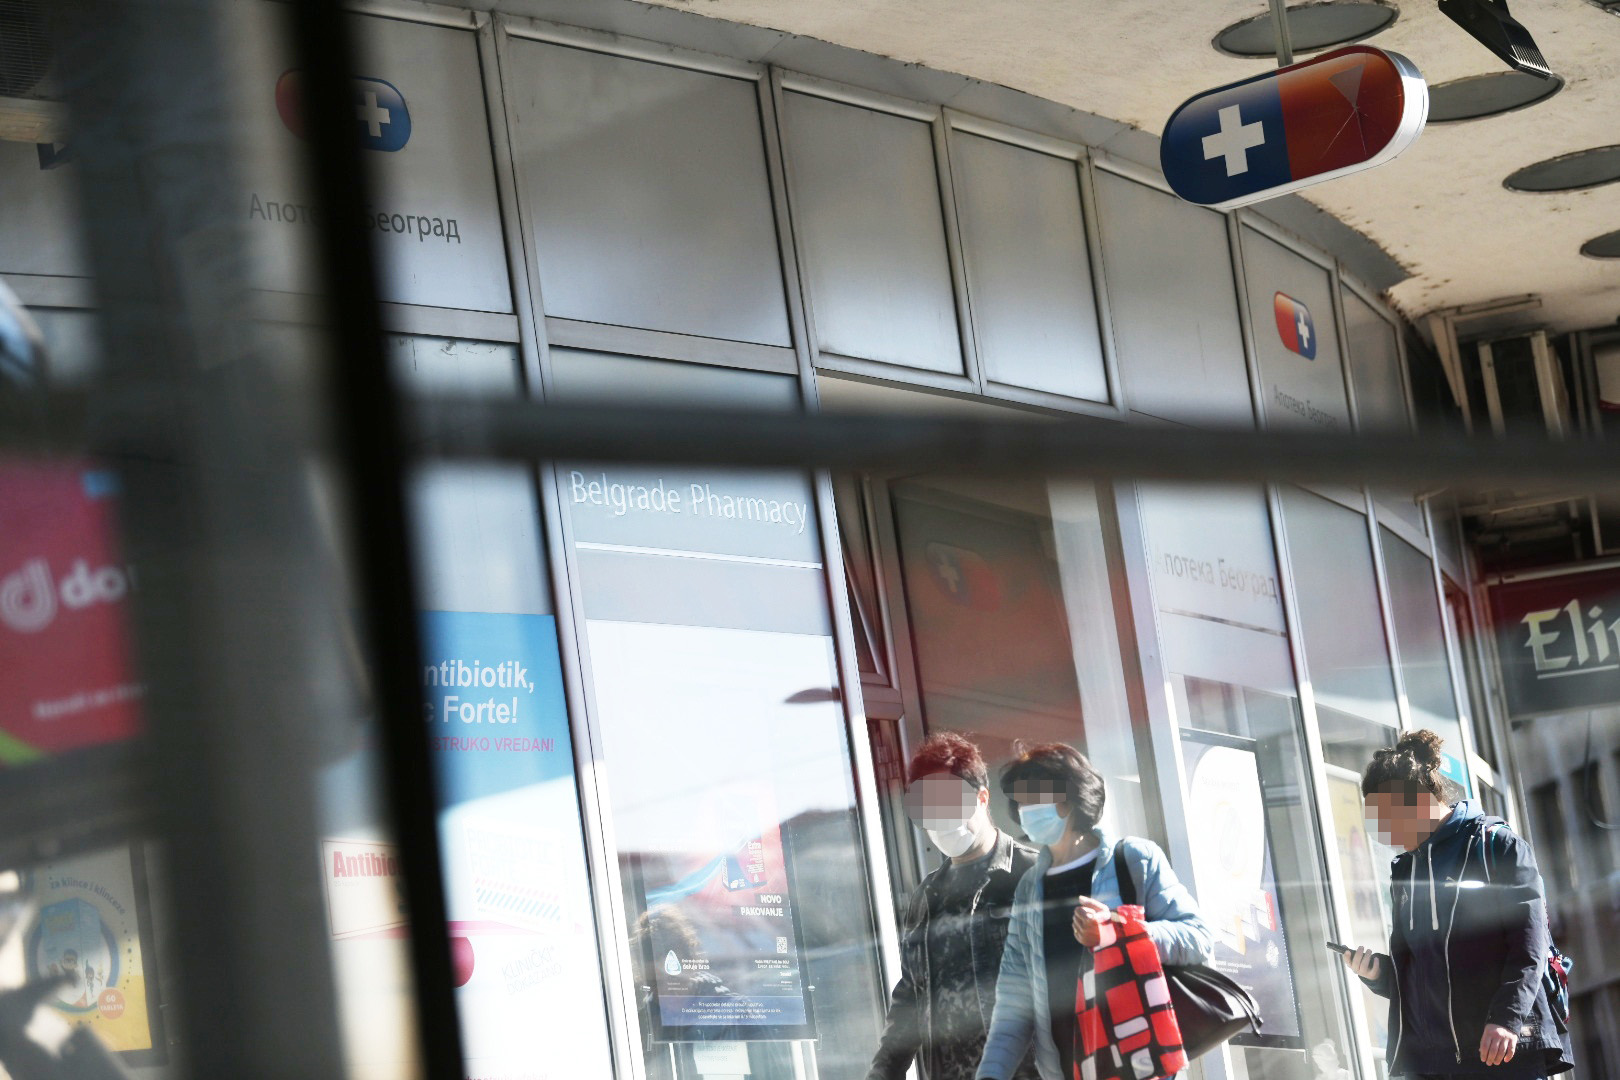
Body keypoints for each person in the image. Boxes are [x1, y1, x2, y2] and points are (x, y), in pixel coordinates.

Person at [1343, 730, 1573, 1078]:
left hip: (1500, 1055)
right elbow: (1426, 975)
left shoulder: (1496, 845)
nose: (1381, 833)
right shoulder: (1406, 872)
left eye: (1385, 817)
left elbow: (1530, 947)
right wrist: (1379, 975)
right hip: (1435, 1066)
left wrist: (1506, 1019)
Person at [977, 742, 1211, 1080]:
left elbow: (1198, 938)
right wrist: (991, 1074)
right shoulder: (1029, 887)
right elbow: (1014, 1000)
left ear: (1070, 800)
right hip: (1066, 1070)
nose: (1027, 809)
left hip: (1138, 1064)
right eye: (1022, 800)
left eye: (1037, 797)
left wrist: (1116, 932)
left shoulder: (1133, 859)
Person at [868, 732, 1040, 1080]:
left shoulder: (1032, 874)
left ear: (982, 797)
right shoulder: (927, 895)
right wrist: (884, 1072)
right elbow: (911, 997)